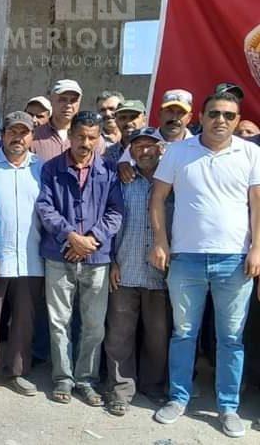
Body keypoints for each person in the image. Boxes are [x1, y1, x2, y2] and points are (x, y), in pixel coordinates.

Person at [151, 92, 260, 438]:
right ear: (202, 114)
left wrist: (258, 248)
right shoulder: (179, 153)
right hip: (186, 259)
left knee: (231, 337)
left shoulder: (251, 153)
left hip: (235, 260)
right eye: (215, 113)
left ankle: (228, 406)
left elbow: (257, 205)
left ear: (236, 118)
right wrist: (160, 241)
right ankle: (178, 398)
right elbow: (158, 199)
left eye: (230, 115)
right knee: (184, 333)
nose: (222, 121)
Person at [35, 110, 122, 407]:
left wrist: (90, 241)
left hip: (97, 259)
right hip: (59, 256)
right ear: (70, 136)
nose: (86, 143)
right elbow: (46, 208)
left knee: (94, 324)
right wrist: (71, 236)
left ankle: (86, 379)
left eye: (92, 138)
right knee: (59, 321)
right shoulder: (51, 169)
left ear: (99, 140)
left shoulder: (110, 171)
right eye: (81, 136)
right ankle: (62, 377)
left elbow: (115, 213)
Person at [0, 112, 44, 396]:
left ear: (32, 137)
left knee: (25, 318)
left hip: (32, 256)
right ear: (2, 135)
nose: (18, 138)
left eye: (24, 132)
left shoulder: (42, 168)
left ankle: (17, 371)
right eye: (12, 132)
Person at [104, 127, 171, 417]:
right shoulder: (120, 182)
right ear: (130, 150)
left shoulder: (172, 182)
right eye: (138, 146)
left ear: (161, 149)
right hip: (125, 269)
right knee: (119, 336)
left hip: (160, 274)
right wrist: (110, 261)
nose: (144, 151)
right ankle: (120, 390)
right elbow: (107, 223)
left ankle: (153, 386)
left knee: (157, 335)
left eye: (150, 145)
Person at [116, 90, 195, 183]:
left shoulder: (198, 146)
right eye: (169, 111)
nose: (174, 118)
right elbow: (123, 165)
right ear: (160, 114)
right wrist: (122, 166)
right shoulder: (141, 140)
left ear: (189, 117)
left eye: (181, 112)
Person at [32, 80, 83, 161]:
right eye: (63, 99)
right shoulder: (34, 137)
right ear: (51, 100)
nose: (68, 105)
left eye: (73, 100)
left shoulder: (91, 138)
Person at [103, 100, 146, 164]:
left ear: (144, 120)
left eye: (133, 117)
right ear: (116, 121)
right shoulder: (109, 153)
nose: (128, 122)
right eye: (123, 118)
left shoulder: (156, 150)